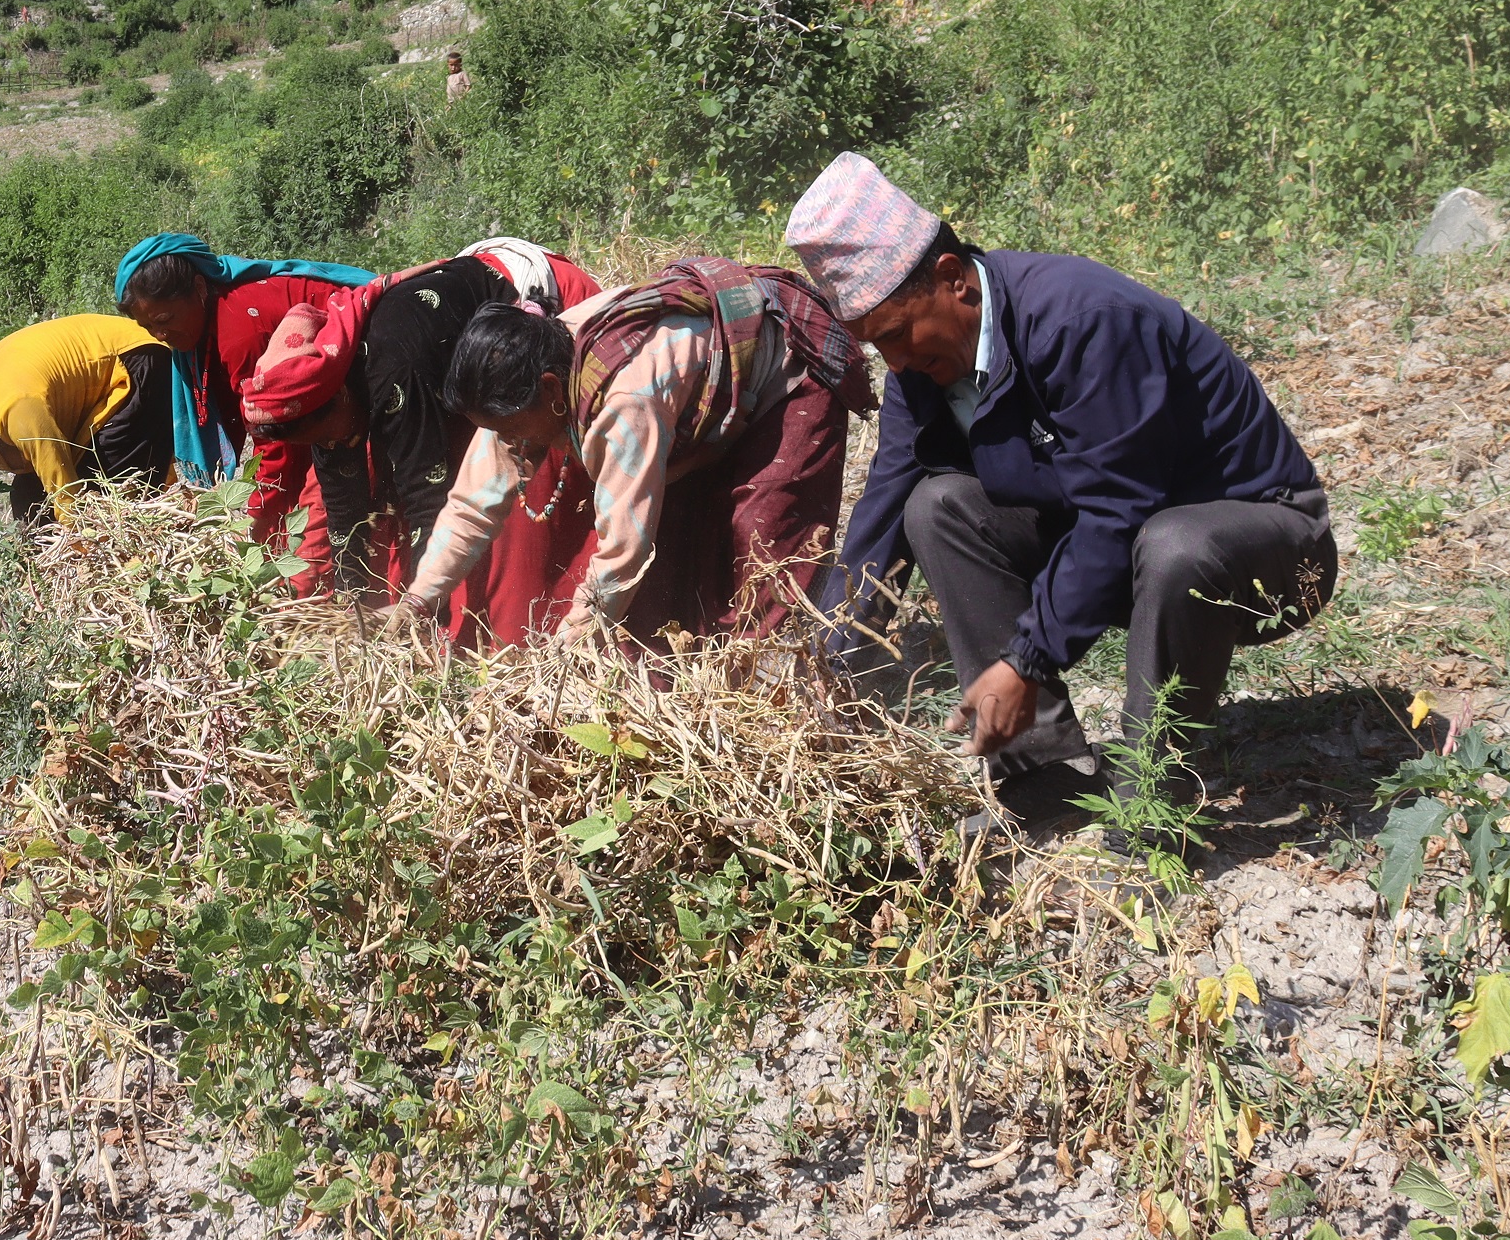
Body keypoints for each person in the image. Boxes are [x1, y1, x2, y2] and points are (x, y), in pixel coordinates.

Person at [786, 152, 1338, 826]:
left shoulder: (1080, 319)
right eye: (877, 348)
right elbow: (883, 511)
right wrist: (830, 661)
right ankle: (1044, 773)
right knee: (937, 507)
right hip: (1129, 553)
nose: (894, 363)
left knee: (1175, 543)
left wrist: (1026, 659)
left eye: (897, 335)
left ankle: (1150, 806)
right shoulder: (922, 371)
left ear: (952, 279)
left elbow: (1119, 507)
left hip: (1267, 556)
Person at [405, 258, 870, 648]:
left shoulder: (625, 405)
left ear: (551, 391)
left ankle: (766, 697)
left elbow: (624, 553)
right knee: (674, 562)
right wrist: (417, 601)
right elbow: (470, 506)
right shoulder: (526, 368)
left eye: (508, 431)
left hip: (784, 380)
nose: (507, 445)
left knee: (758, 559)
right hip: (702, 395)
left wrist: (562, 655)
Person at [235, 237, 600, 642]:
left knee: (523, 503)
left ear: (340, 396)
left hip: (534, 321)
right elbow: (345, 510)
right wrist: (350, 611)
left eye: (325, 434)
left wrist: (421, 614)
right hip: (443, 359)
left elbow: (430, 495)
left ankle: (542, 629)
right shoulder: (324, 391)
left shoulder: (395, 376)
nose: (332, 444)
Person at [111, 233, 374, 576]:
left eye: (164, 321)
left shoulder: (239, 331)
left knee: (313, 544)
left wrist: (255, 525)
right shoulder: (205, 332)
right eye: (148, 327)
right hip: (325, 405)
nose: (160, 336)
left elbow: (275, 442)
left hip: (363, 389)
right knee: (296, 531)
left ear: (201, 289)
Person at [0, 316, 174, 529]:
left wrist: (81, 546)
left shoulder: (15, 406)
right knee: (29, 499)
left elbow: (64, 489)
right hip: (90, 396)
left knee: (106, 492)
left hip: (135, 362)